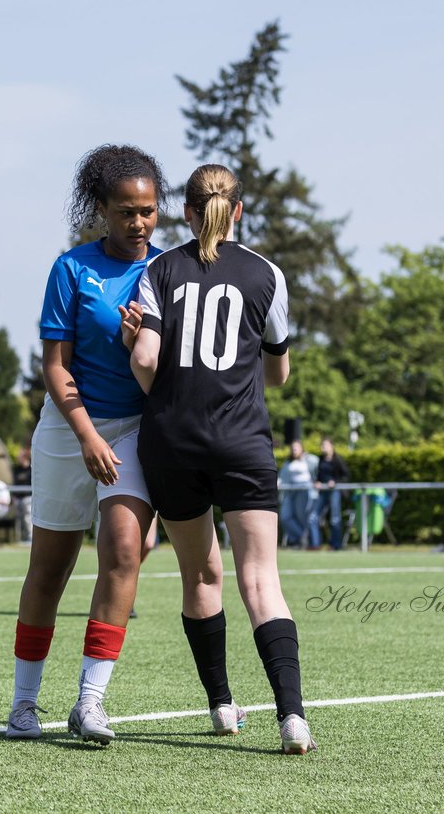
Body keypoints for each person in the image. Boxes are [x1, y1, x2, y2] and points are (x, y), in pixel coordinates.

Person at [124, 162, 316, 754]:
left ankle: (222, 706)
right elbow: (278, 372)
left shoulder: (159, 268)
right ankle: (292, 719)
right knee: (261, 580)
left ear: (185, 212)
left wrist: (135, 343)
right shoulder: (267, 274)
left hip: (172, 442)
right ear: (238, 211)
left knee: (201, 574)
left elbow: (148, 364)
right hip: (242, 443)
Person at [6, 144, 168, 745]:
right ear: (101, 208)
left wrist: (141, 351)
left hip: (134, 430)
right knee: (49, 568)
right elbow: (55, 365)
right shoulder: (71, 269)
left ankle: (90, 702)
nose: (139, 222)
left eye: (148, 210)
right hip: (67, 427)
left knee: (125, 553)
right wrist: (86, 436)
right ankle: (24, 704)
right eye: (126, 211)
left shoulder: (169, 271)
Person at [310, 437, 350, 550]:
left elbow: (346, 476)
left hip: (334, 492)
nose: (323, 448)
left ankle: (336, 545)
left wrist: (335, 482)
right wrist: (317, 482)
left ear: (332, 446)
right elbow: (319, 475)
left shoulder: (338, 460)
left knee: (335, 518)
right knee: (313, 517)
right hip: (322, 492)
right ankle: (315, 544)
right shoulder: (321, 459)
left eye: (325, 445)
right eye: (322, 445)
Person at [278, 441, 314, 549]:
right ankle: (301, 536)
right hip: (289, 491)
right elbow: (282, 477)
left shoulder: (309, 460)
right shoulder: (288, 462)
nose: (294, 450)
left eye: (296, 448)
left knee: (301, 516)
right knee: (285, 517)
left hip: (303, 491)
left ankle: (301, 542)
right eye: (293, 448)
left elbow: (316, 472)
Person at [10, 447, 32, 543]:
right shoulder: (16, 469)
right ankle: (19, 538)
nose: (18, 457)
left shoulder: (30, 469)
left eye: (20, 455)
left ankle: (30, 538)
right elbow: (14, 483)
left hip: (28, 498)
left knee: (28, 518)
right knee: (18, 519)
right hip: (18, 498)